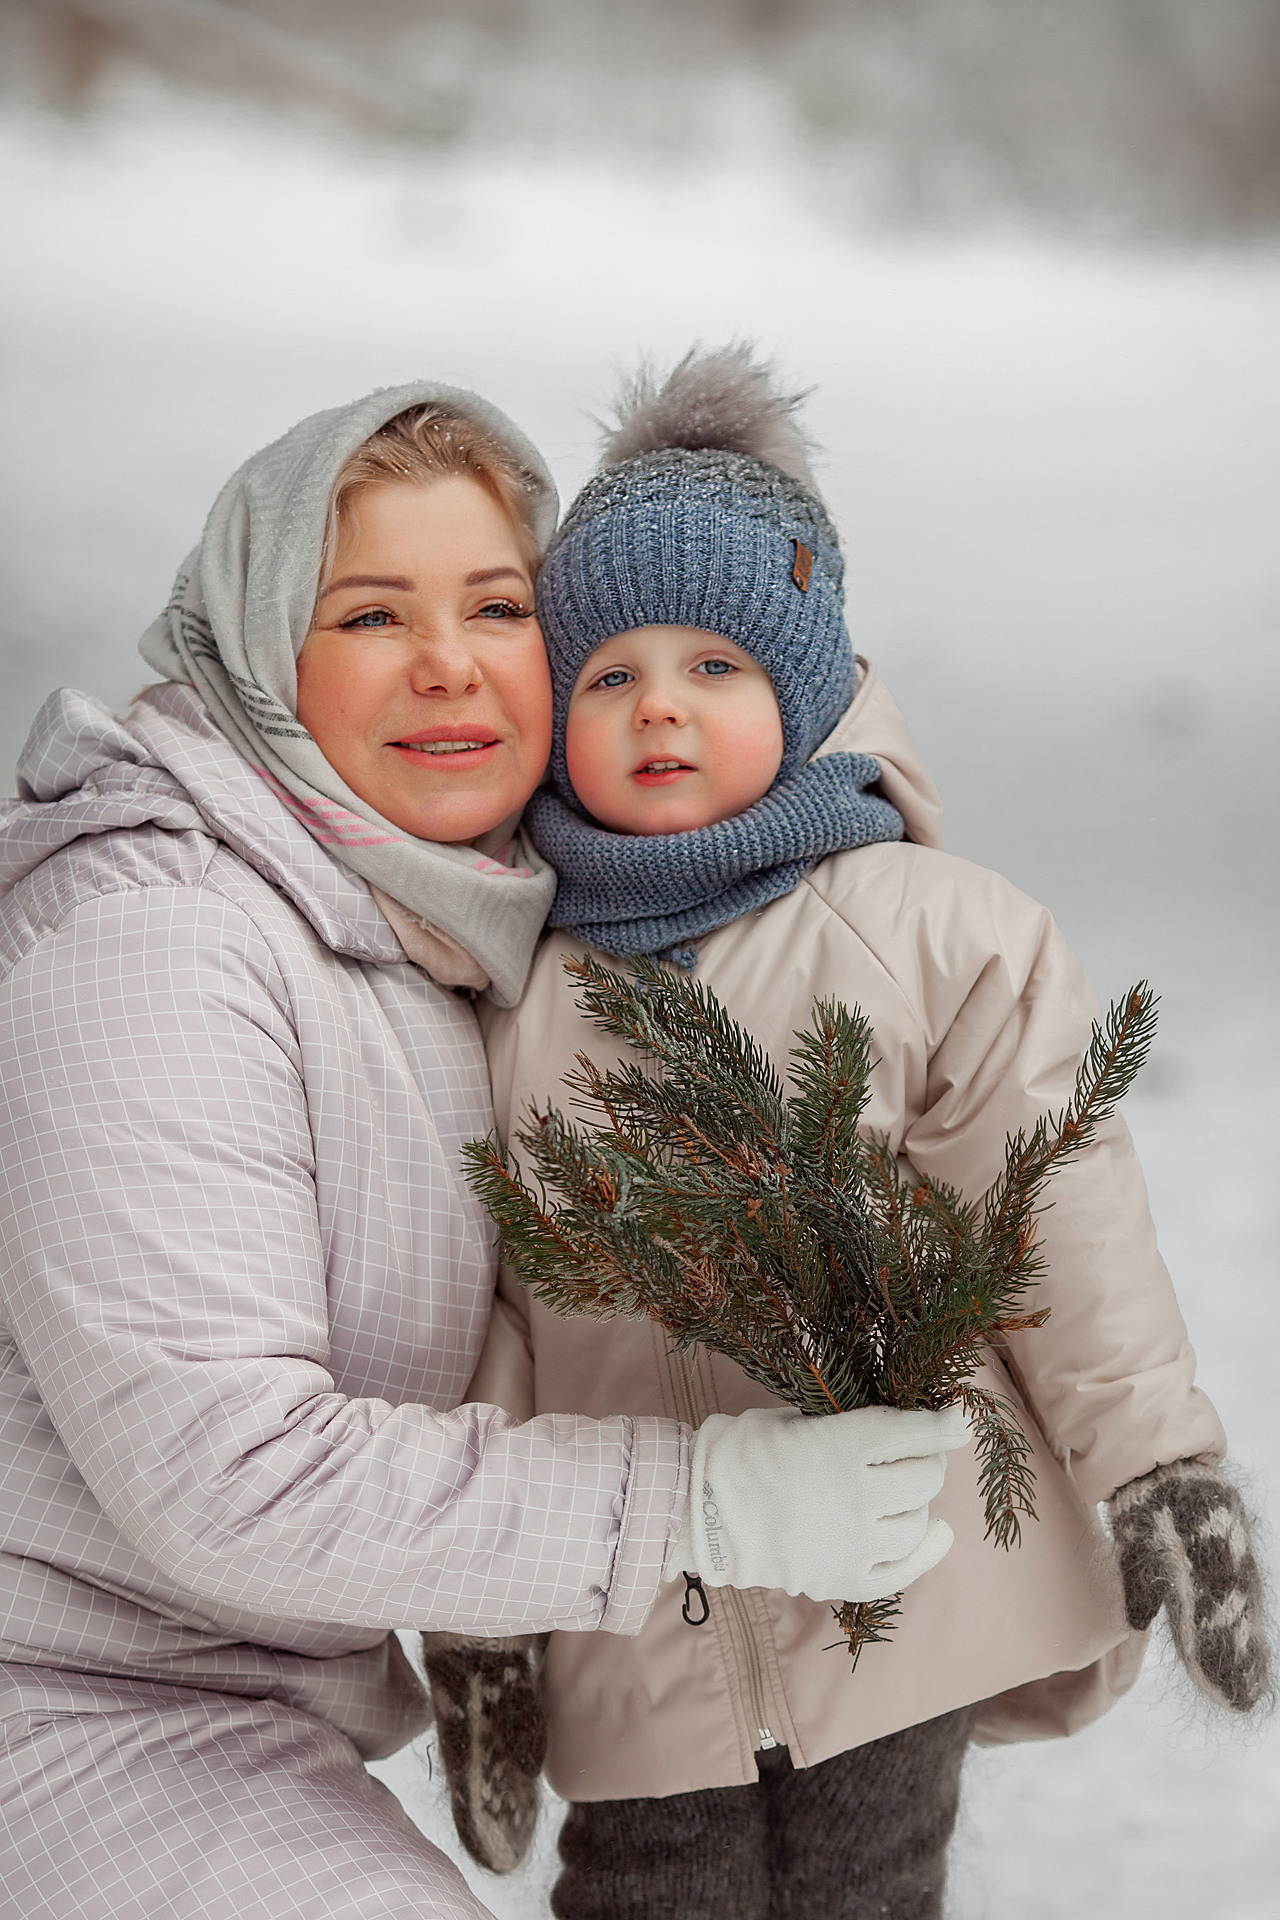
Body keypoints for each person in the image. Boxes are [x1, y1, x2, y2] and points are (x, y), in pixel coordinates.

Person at [0, 379, 968, 1920]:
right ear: (259, 657)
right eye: (372, 616)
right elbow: (227, 1473)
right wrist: (706, 1503)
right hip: (59, 1714)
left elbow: (746, 711)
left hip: (245, 1724)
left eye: (498, 606)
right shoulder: (154, 939)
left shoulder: (464, 924)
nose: (448, 663)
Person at [433, 348, 1270, 1920]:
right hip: (636, 1594)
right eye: (609, 675)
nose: (659, 705)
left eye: (715, 669)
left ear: (807, 689)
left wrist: (1160, 1462)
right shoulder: (516, 985)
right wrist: (479, 1620)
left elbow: (1054, 1213)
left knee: (868, 1887)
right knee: (642, 1893)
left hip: (908, 1568)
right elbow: (495, 1310)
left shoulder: (928, 932)